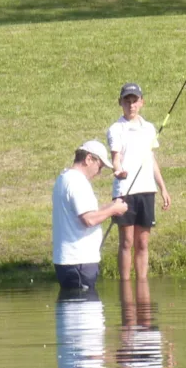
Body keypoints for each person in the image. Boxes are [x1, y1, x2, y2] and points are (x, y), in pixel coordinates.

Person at [108, 82, 171, 281]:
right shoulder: (116, 129)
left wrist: (163, 188)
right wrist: (118, 171)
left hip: (146, 190)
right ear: (120, 103)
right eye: (127, 102)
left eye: (134, 101)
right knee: (126, 242)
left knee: (142, 242)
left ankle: (142, 284)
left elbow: (150, 158)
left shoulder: (149, 128)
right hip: (125, 191)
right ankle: (125, 285)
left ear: (142, 102)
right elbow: (116, 158)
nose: (131, 105)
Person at [51, 140, 128, 292]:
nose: (98, 173)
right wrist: (113, 210)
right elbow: (89, 219)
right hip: (79, 262)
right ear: (88, 159)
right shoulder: (77, 182)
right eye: (99, 167)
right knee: (84, 309)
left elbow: (85, 212)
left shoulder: (64, 178)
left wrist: (112, 206)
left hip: (69, 261)